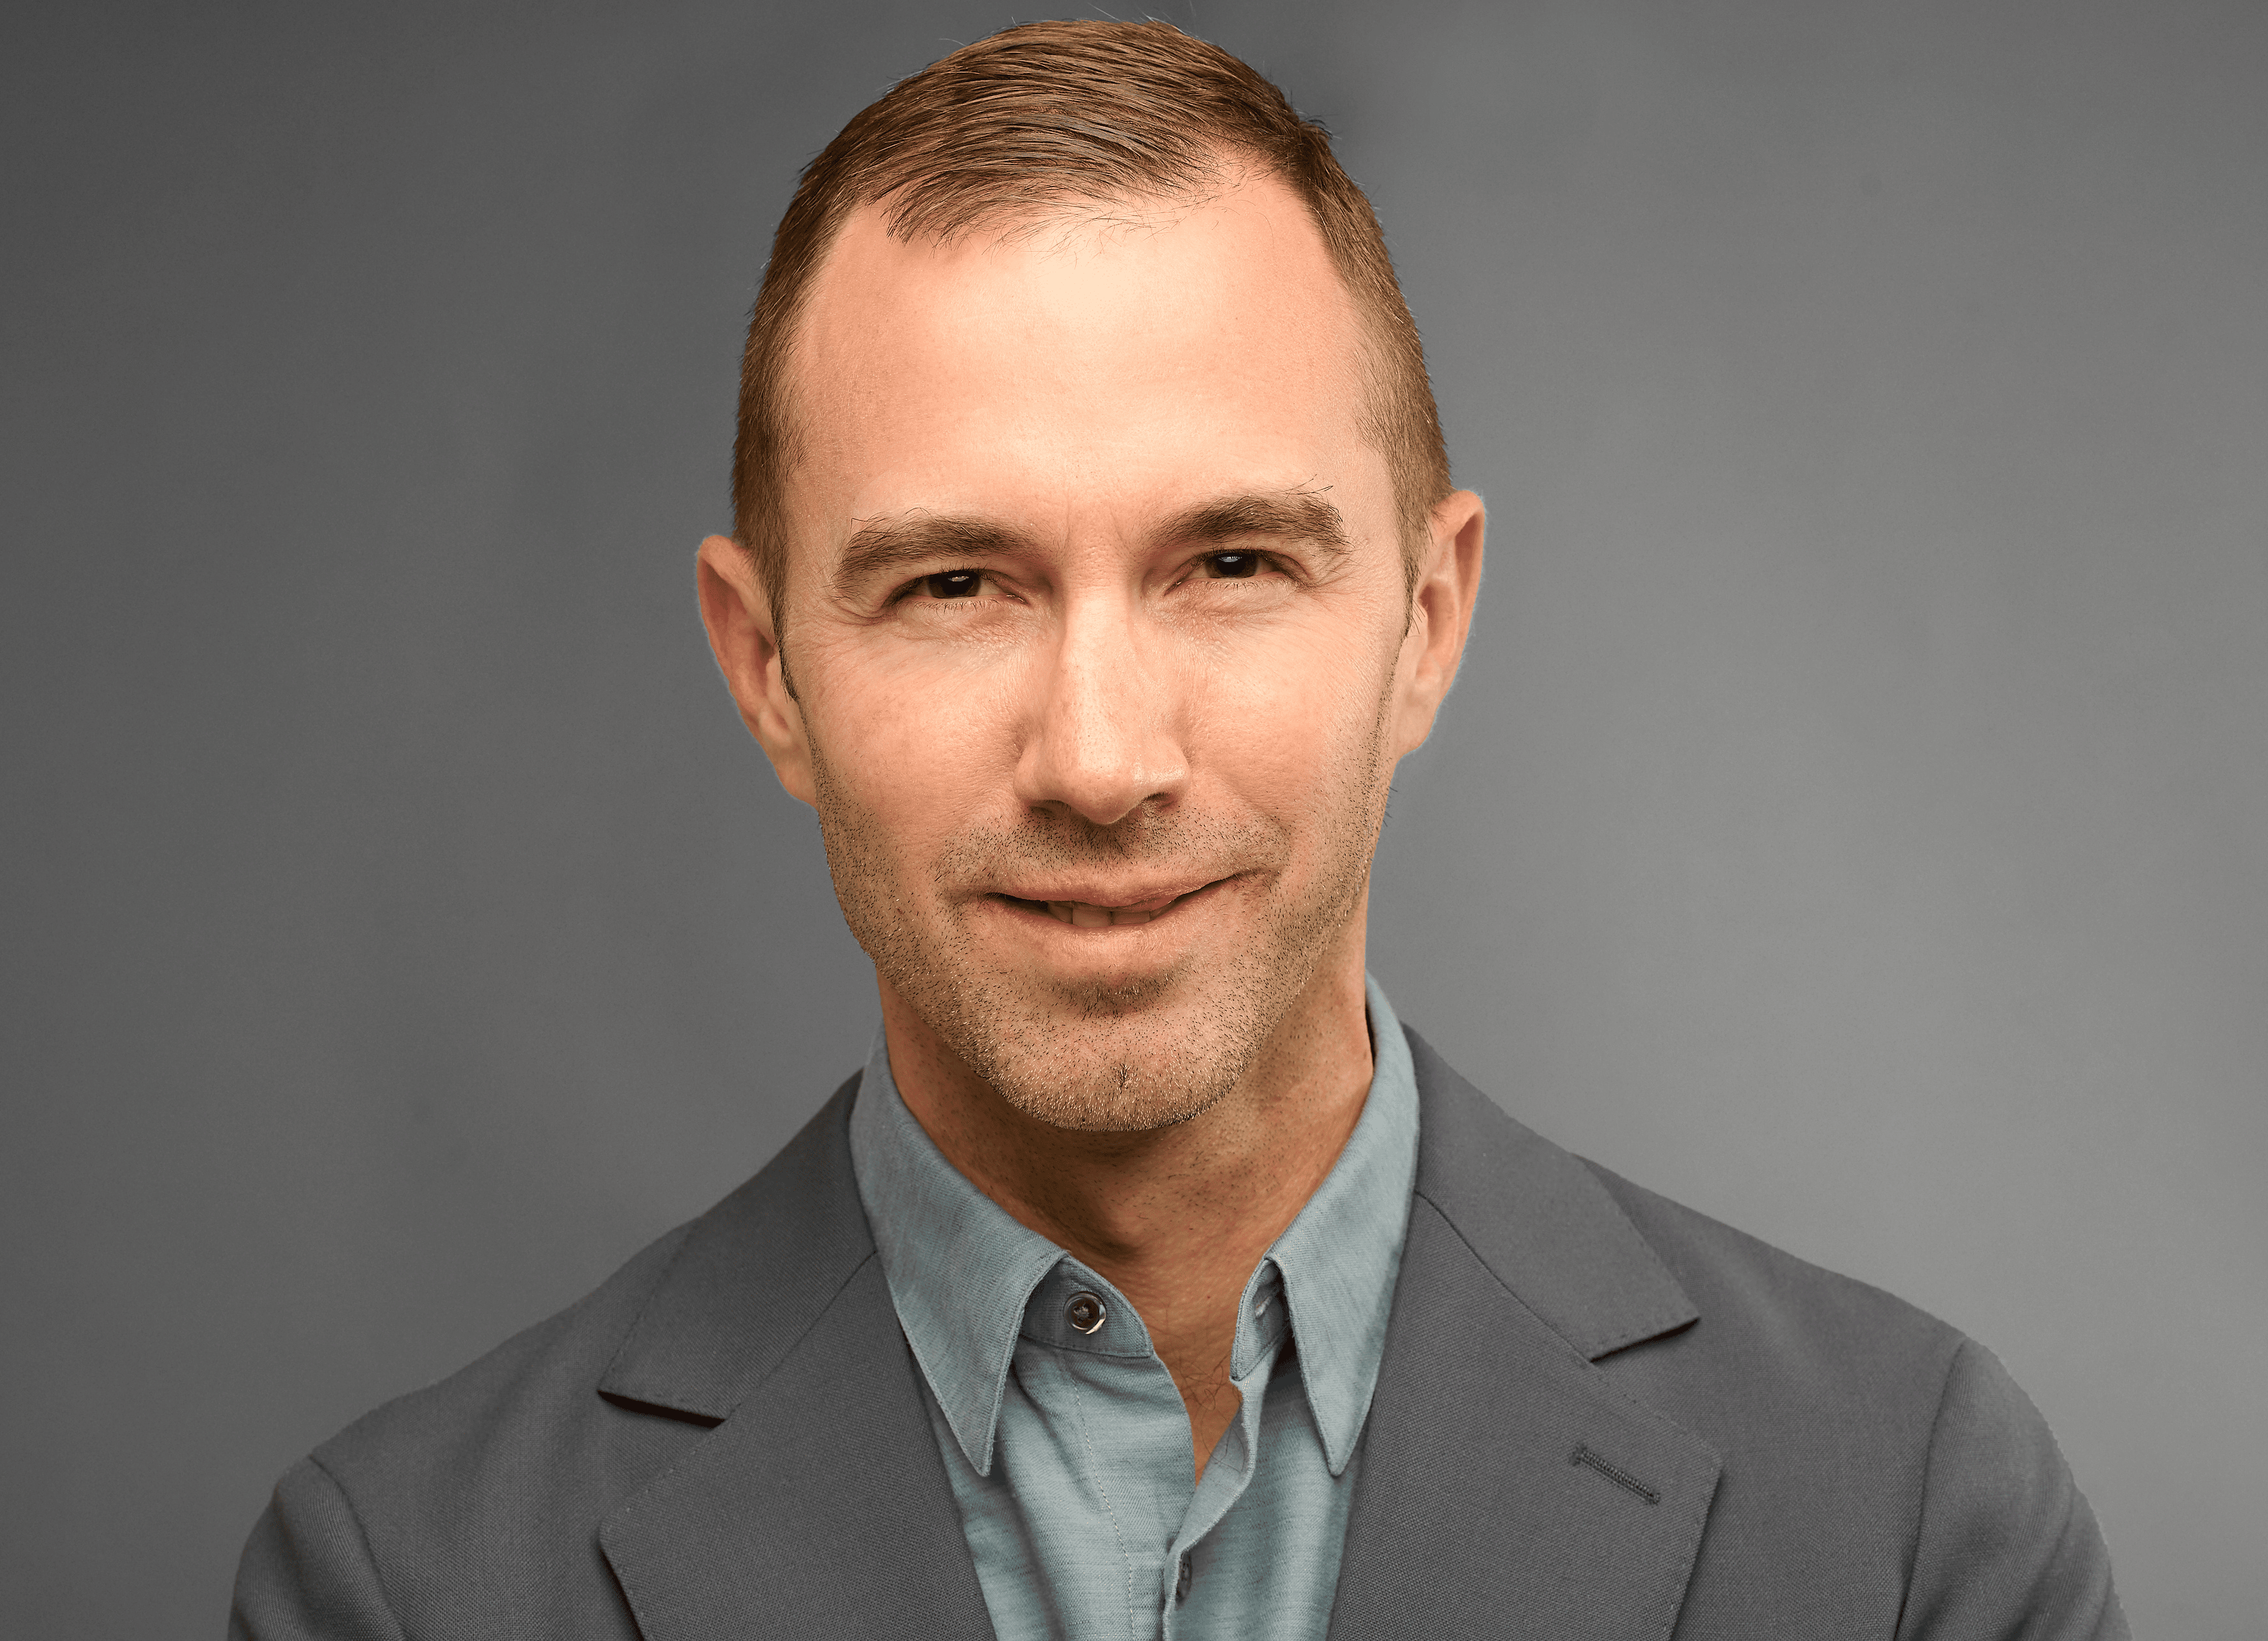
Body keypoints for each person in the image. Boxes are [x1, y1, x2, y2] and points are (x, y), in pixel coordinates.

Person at [230, 21, 2125, 1640]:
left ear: (1425, 623)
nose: (1101, 755)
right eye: (956, 583)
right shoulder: (409, 1580)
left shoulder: (1904, 1521)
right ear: (767, 669)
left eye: (1229, 561)